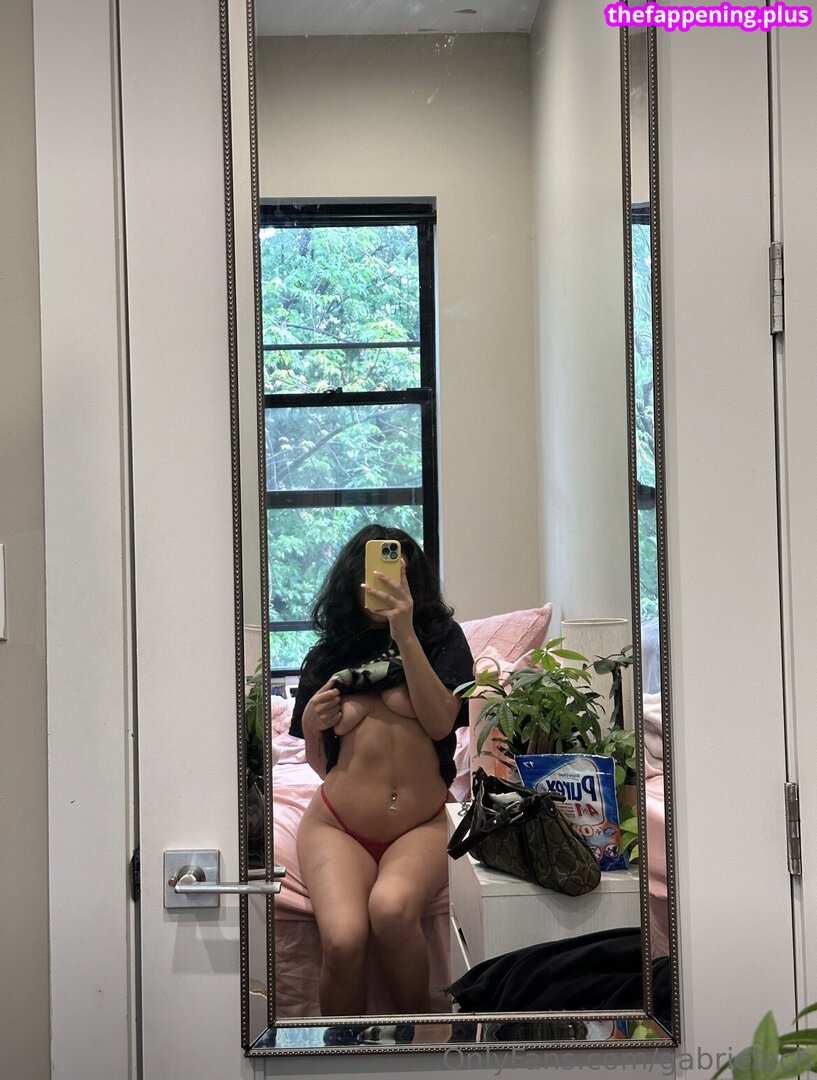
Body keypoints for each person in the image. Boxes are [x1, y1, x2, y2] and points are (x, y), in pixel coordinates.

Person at [290, 525, 474, 1023]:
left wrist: (405, 633)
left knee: (391, 911)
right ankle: (339, 1056)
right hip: (337, 825)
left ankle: (418, 1049)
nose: (383, 585)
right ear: (354, 582)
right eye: (372, 576)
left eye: (396, 576)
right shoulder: (329, 654)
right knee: (343, 938)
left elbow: (441, 722)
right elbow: (321, 766)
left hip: (422, 823)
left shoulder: (441, 639)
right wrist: (313, 726)